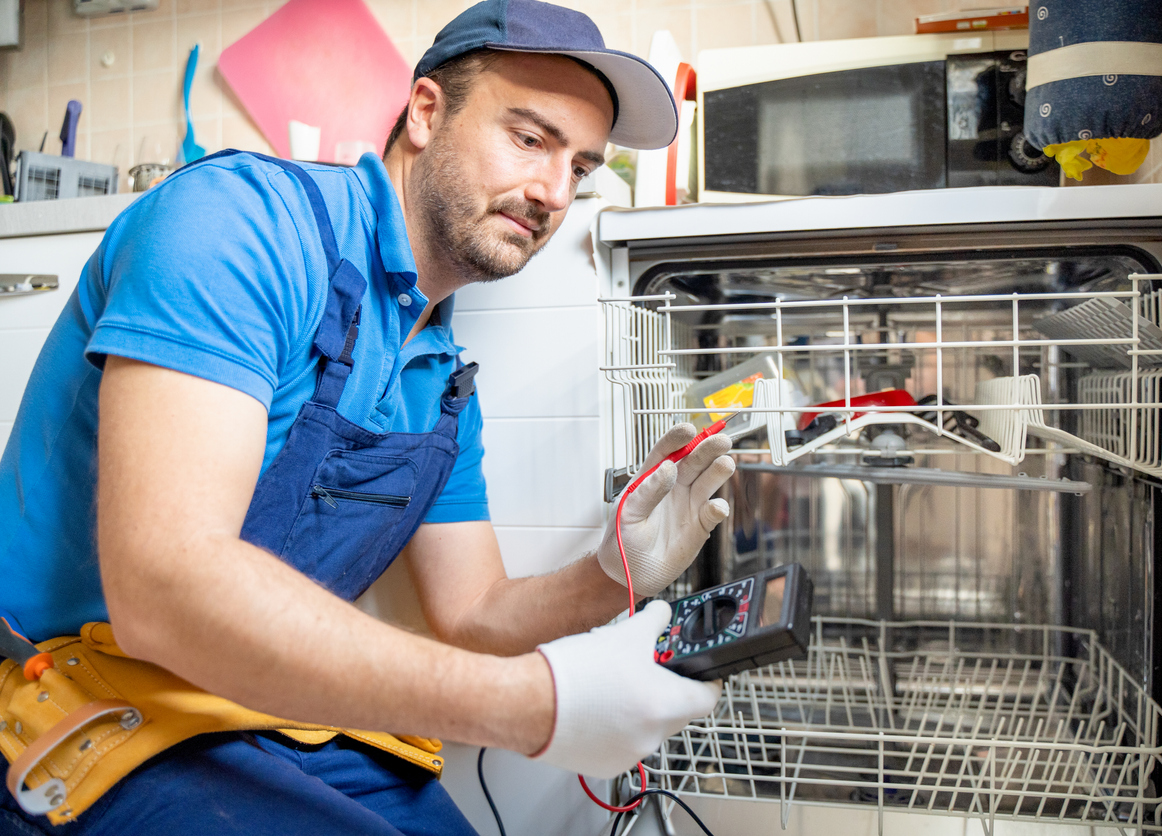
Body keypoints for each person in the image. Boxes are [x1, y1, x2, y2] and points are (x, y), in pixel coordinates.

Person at [0, 1, 735, 833]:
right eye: (530, 139)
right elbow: (164, 590)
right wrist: (537, 705)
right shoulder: (240, 225)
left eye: (582, 168)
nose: (552, 192)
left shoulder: (439, 378)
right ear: (425, 112)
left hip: (256, 710)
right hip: (63, 702)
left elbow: (472, 612)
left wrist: (614, 571)